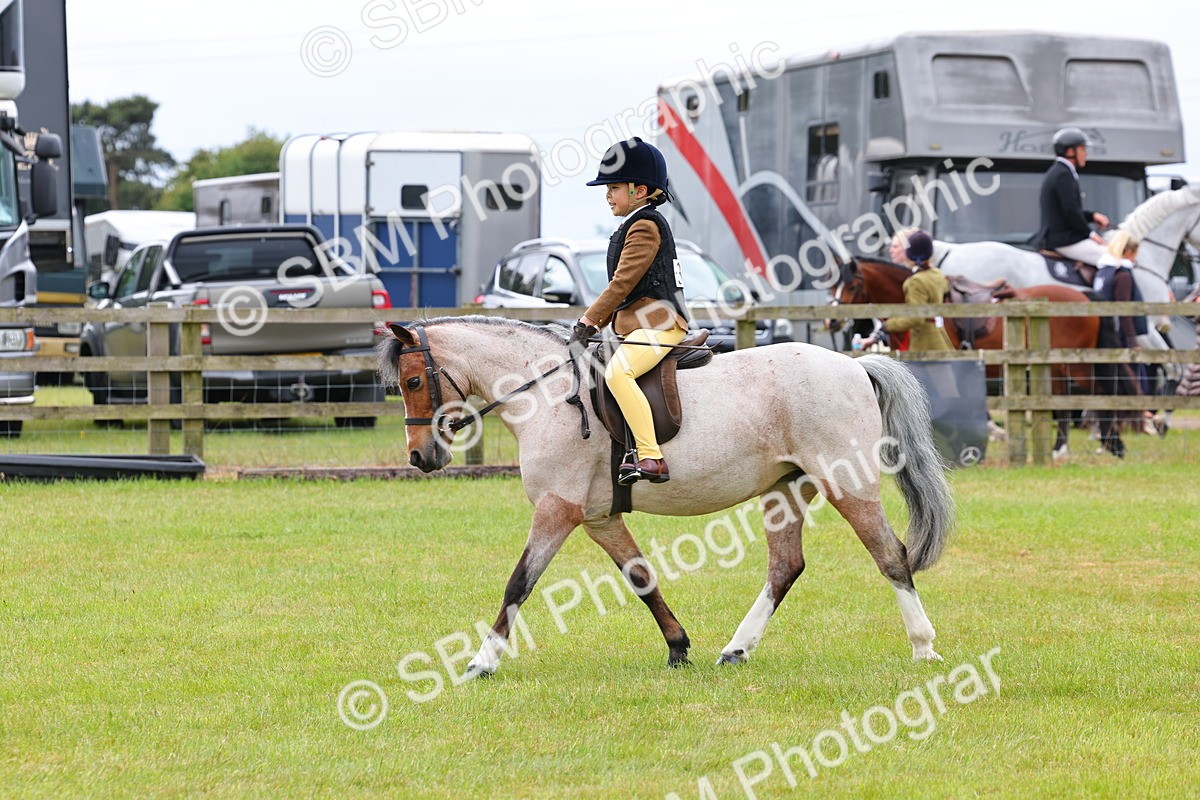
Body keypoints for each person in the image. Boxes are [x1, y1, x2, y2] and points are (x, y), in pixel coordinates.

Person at [568, 138, 690, 485]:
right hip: (639, 324)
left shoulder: (645, 226)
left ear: (639, 191)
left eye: (615, 188)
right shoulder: (631, 224)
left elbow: (621, 284)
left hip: (661, 323)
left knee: (618, 374)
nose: (608, 195)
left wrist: (588, 321)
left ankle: (652, 457)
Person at [1092, 230, 1152, 453]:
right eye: (1135, 254)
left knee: (1105, 385)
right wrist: (1132, 340)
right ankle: (1137, 420)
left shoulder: (1103, 271)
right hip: (1117, 336)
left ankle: (1102, 429)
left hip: (1103, 334)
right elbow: (1124, 311)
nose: (1136, 259)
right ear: (1128, 252)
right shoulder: (1123, 276)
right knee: (1127, 383)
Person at [861, 230, 954, 351]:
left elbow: (916, 318)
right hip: (941, 338)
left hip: (924, 345)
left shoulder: (916, 281)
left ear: (909, 254)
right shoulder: (937, 274)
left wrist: (887, 326)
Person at [1035, 127, 1110, 266]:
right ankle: (1103, 288)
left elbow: (1069, 209)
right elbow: (1071, 212)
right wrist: (1091, 235)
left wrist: (1092, 216)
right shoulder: (1063, 175)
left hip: (1061, 237)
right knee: (1113, 259)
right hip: (1064, 240)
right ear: (1070, 151)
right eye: (1082, 149)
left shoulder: (1060, 171)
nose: (1086, 154)